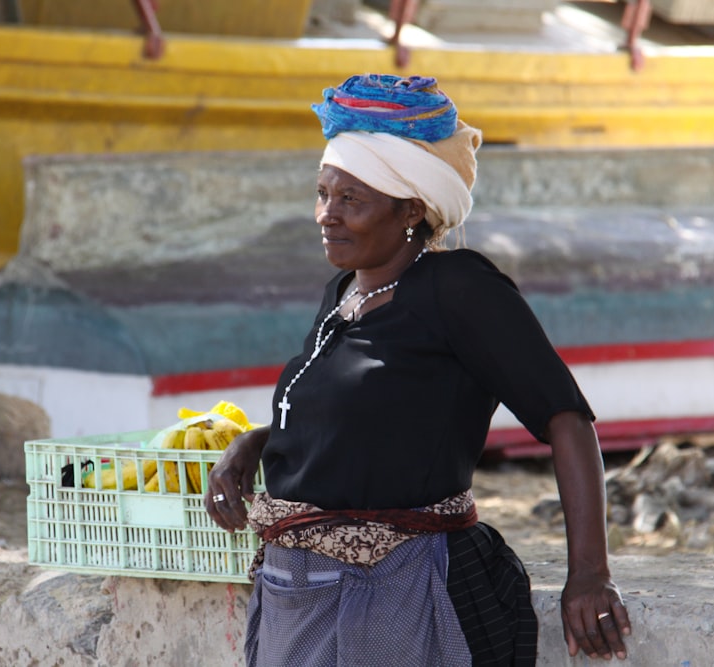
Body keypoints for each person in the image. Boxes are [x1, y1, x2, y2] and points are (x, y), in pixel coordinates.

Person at [205, 73, 632, 666]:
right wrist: (251, 446)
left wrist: (588, 574)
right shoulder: (343, 293)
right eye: (323, 193)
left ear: (410, 210)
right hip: (296, 599)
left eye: (351, 200)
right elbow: (350, 420)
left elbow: (566, 418)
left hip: (399, 594)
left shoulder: (458, 288)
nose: (327, 215)